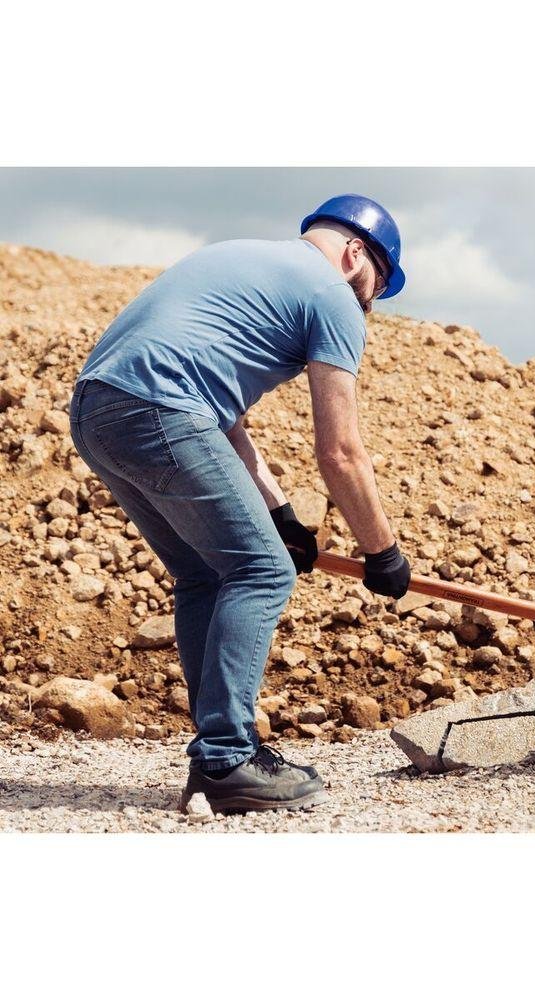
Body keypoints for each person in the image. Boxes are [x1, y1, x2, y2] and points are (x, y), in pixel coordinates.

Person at [68, 194, 412, 813]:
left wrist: (281, 515)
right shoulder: (332, 295)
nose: (370, 303)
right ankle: (227, 760)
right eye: (376, 286)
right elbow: (340, 451)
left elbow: (219, 417)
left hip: (98, 410)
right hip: (162, 410)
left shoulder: (239, 258)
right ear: (355, 253)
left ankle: (222, 752)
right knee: (261, 571)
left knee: (205, 572)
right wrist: (381, 550)